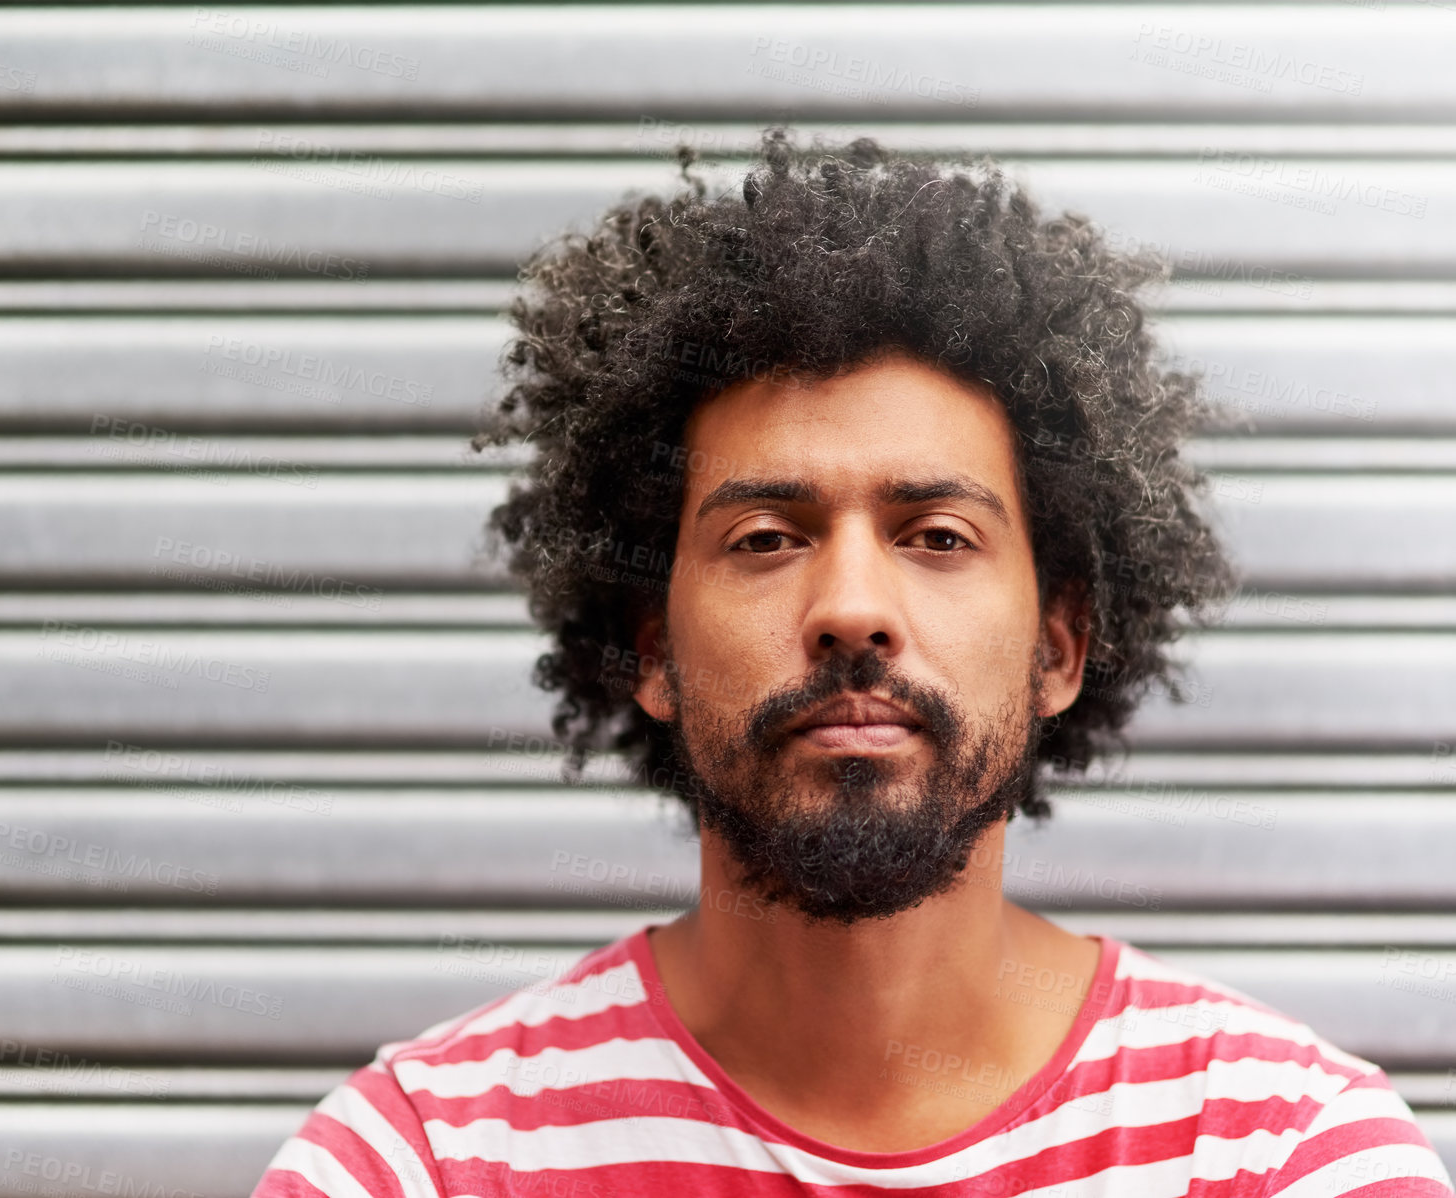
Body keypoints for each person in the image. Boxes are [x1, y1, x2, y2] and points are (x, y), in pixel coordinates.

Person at [249, 128, 1455, 1196]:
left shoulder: (1279, 1155)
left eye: (938, 535)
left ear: (1059, 647)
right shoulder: (429, 1161)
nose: (852, 610)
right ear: (651, 649)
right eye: (767, 538)